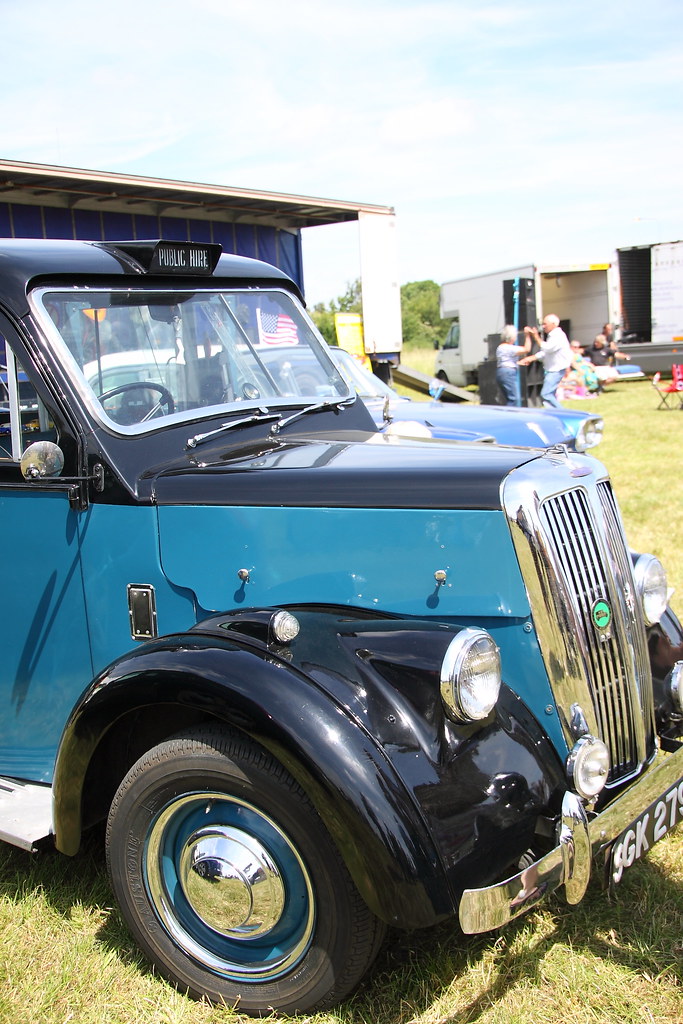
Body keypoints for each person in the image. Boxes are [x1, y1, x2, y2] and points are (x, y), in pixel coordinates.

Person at [519, 314, 572, 408]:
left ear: (554, 324)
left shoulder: (558, 335)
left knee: (546, 394)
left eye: (545, 324)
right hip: (553, 369)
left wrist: (535, 336)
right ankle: (555, 415)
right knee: (550, 394)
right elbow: (545, 353)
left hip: (556, 369)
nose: (543, 326)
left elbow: (547, 348)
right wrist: (531, 358)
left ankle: (562, 413)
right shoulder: (552, 335)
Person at [495, 324, 531, 406]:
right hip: (508, 373)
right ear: (511, 337)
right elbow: (527, 349)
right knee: (514, 399)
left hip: (501, 371)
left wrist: (518, 363)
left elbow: (506, 360)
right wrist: (527, 335)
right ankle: (510, 415)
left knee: (510, 397)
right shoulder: (509, 348)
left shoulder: (500, 348)